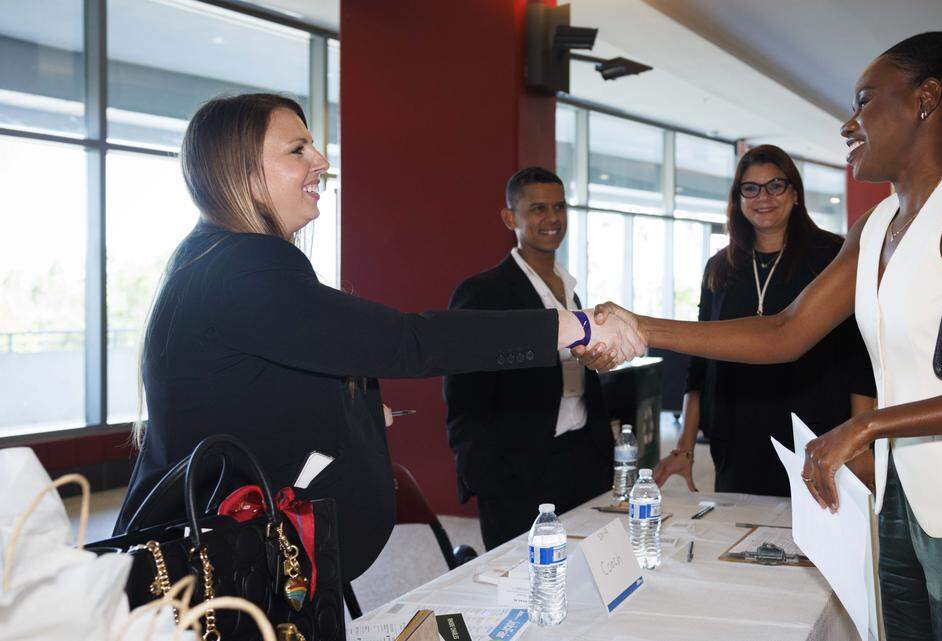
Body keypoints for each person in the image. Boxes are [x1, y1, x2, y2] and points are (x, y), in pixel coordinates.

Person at [580, 31, 942, 640]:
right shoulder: (876, 225)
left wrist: (870, 424)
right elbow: (784, 330)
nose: (849, 124)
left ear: (926, 98)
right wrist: (641, 327)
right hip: (909, 499)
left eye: (865, 101)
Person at [113, 94, 643, 582]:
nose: (321, 160)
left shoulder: (212, 254)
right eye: (298, 149)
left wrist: (353, 410)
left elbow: (250, 396)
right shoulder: (243, 267)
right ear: (241, 171)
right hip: (225, 566)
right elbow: (406, 341)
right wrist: (574, 326)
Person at [653, 145, 876, 496]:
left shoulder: (833, 257)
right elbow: (699, 366)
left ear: (795, 193)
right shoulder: (720, 268)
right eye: (751, 188)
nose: (763, 197)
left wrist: (861, 444)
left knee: (809, 547)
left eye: (776, 185)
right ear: (738, 198)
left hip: (815, 437)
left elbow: (860, 356)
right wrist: (684, 447)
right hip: (735, 438)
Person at [444, 167, 614, 550]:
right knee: (522, 582)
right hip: (517, 470)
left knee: (589, 571)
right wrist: (483, 475)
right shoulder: (482, 294)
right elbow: (463, 397)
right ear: (511, 218)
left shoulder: (569, 289)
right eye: (538, 208)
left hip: (583, 459)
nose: (552, 219)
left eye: (559, 207)